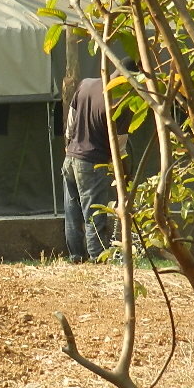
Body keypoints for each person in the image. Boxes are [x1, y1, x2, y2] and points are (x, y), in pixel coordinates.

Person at [62, 56, 135, 263]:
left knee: (72, 212)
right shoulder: (121, 104)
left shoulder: (86, 84)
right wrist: (125, 179)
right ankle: (97, 259)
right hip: (93, 164)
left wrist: (71, 148)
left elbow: (70, 123)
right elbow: (119, 149)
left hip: (70, 158)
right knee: (95, 216)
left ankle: (76, 257)